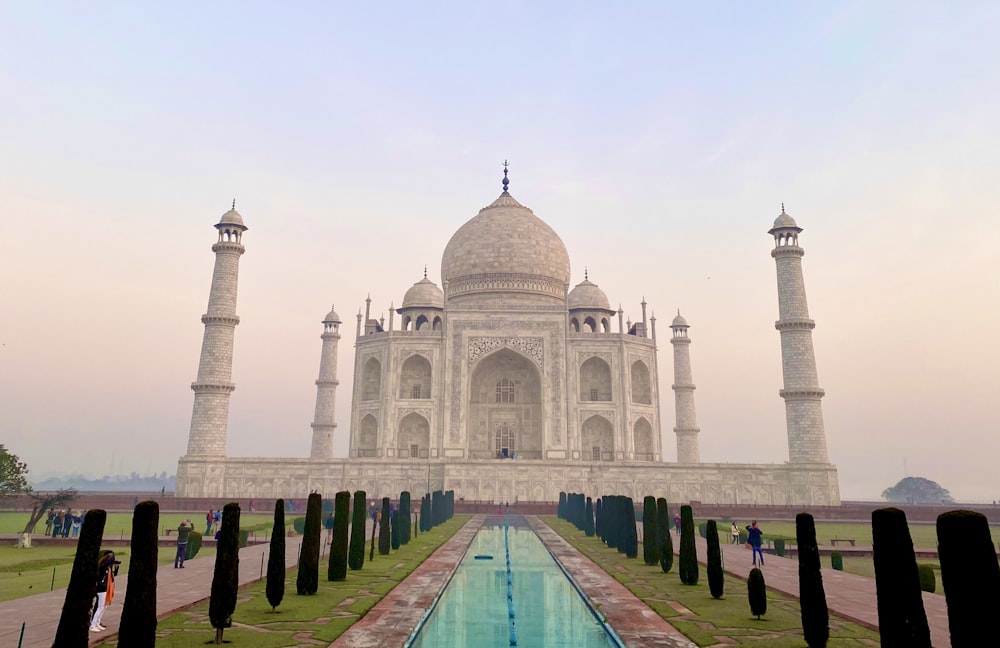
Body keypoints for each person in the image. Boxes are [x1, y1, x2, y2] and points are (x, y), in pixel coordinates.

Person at [90, 550, 120, 632]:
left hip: (106, 588)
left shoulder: (108, 568)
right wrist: (111, 560)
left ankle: (97, 623)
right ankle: (93, 625)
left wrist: (116, 568)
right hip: (102, 589)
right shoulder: (103, 567)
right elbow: (105, 566)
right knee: (100, 607)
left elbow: (113, 576)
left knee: (104, 606)